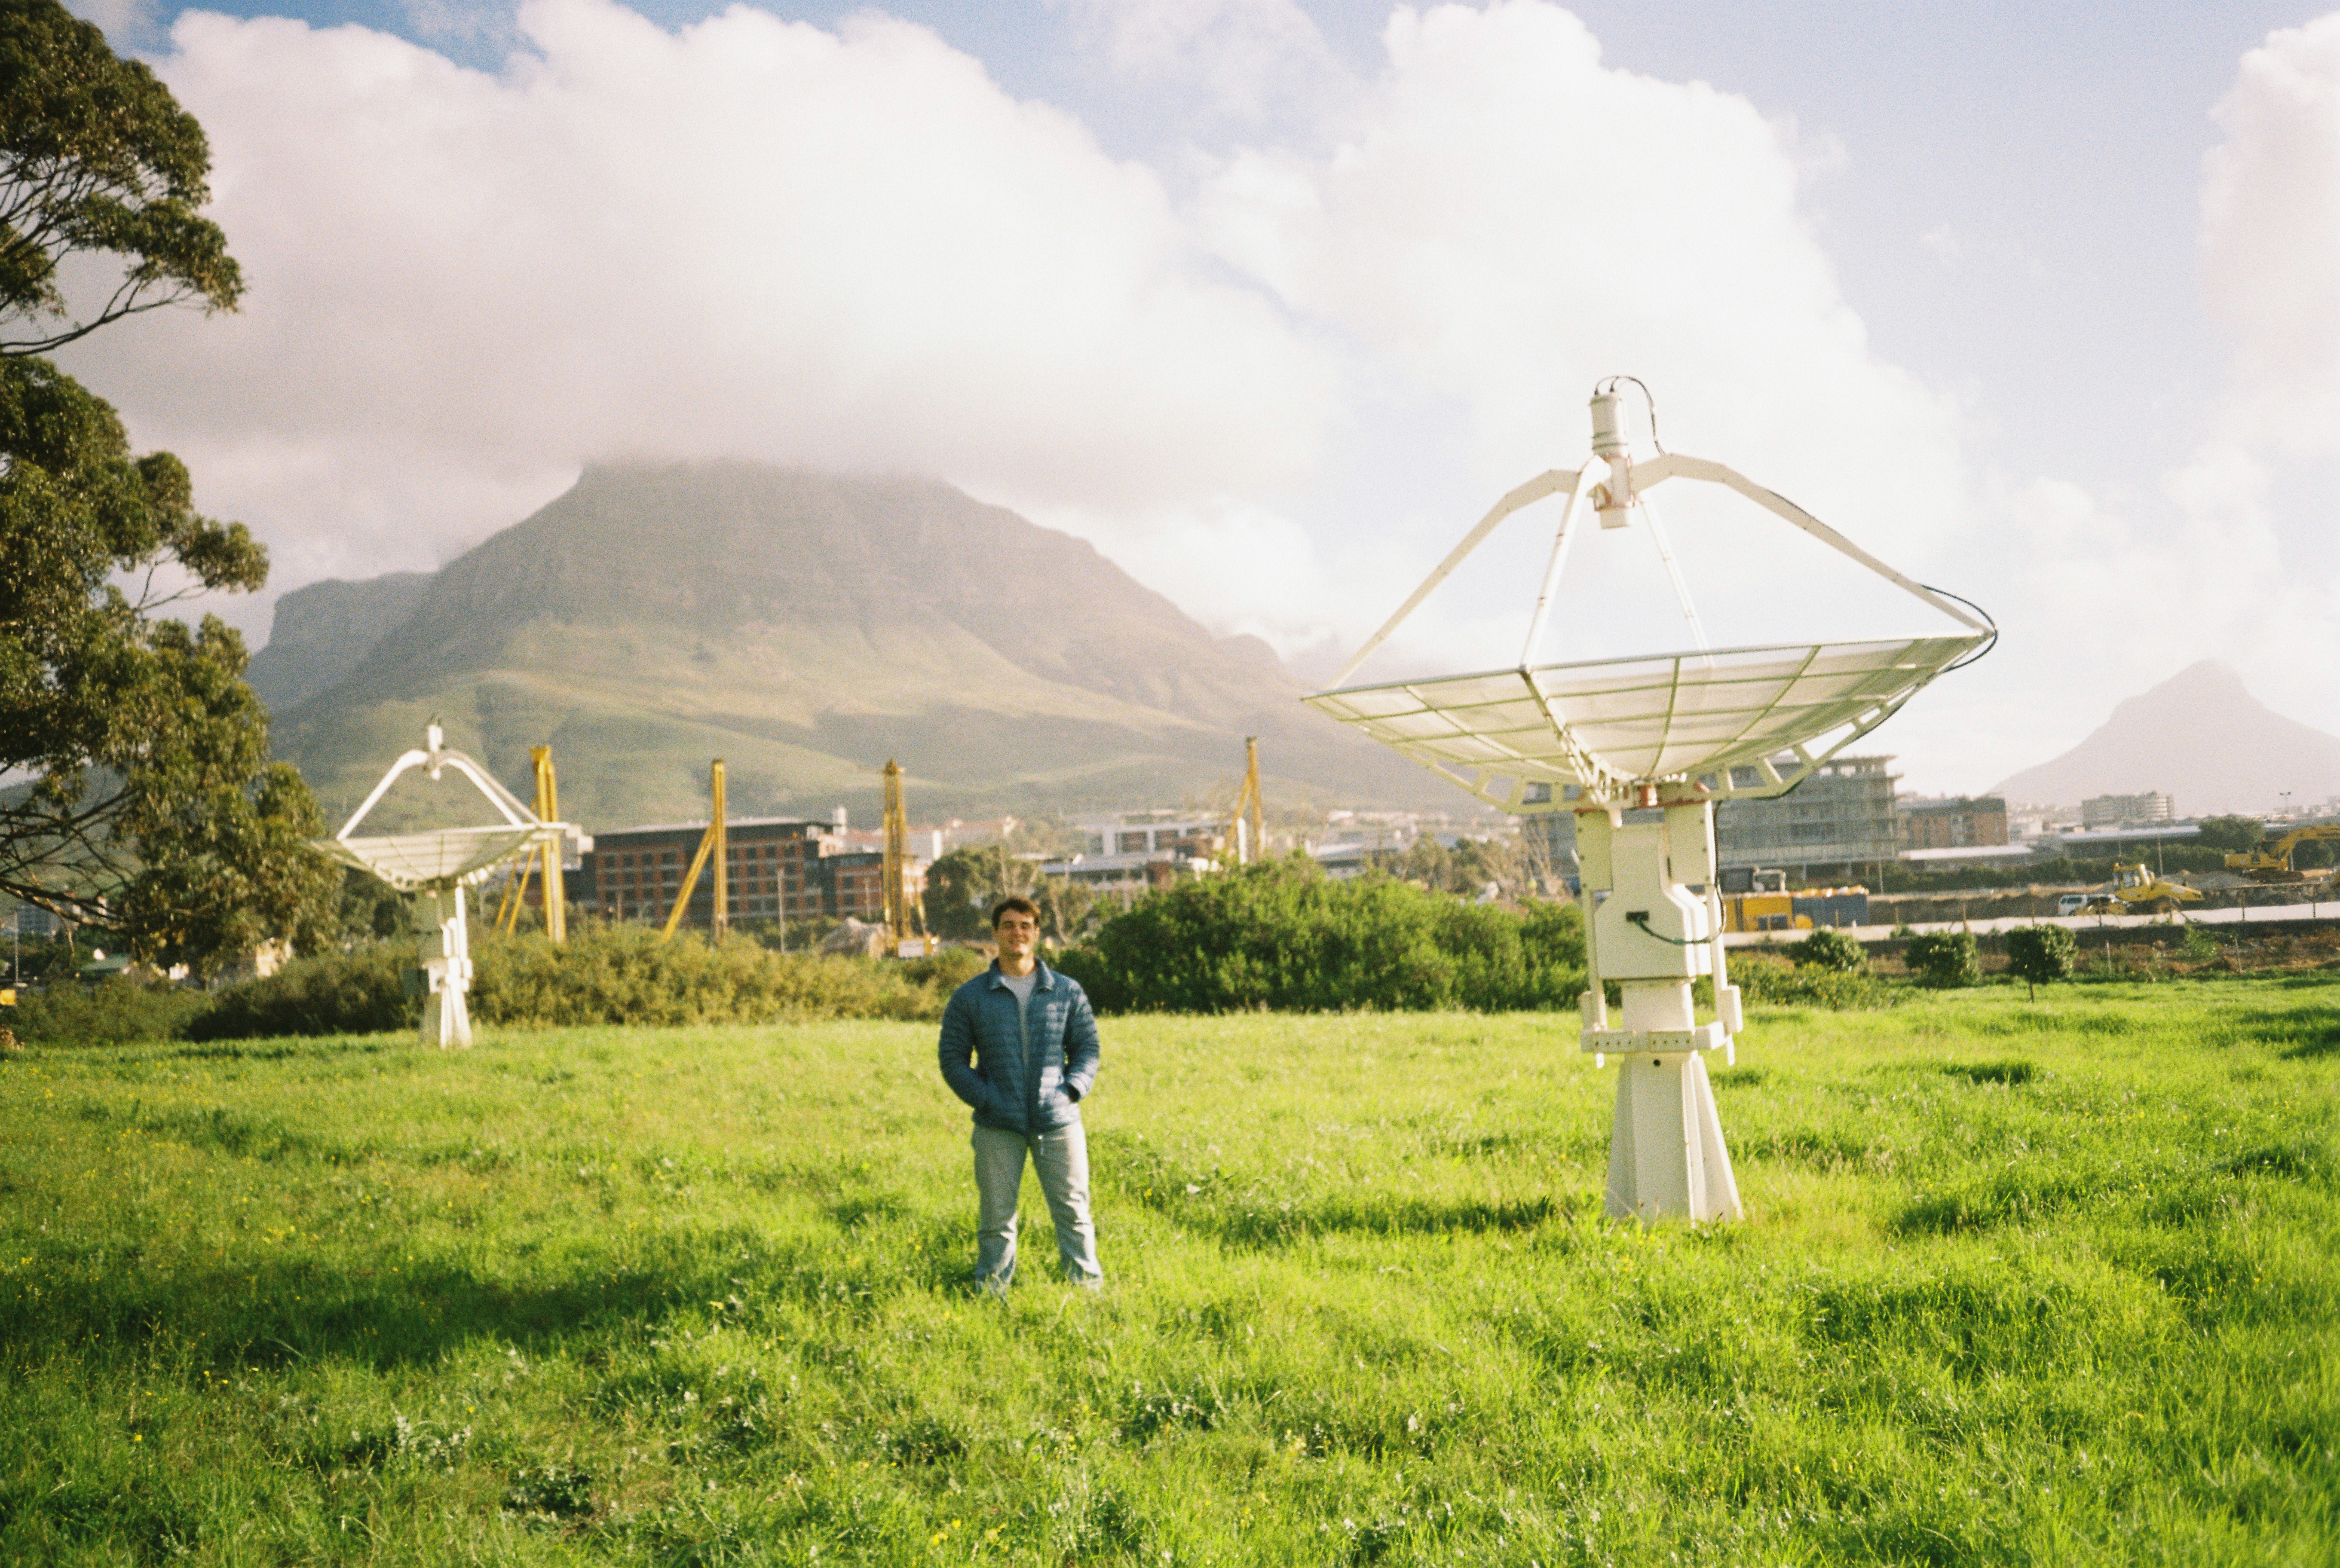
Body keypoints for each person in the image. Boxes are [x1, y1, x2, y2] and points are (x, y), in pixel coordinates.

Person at [936, 896, 1103, 1291]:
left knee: (1075, 1214)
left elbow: (1087, 1049)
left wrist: (1071, 1090)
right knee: (996, 1219)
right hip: (998, 1125)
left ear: (1037, 933)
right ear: (995, 934)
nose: (1017, 933)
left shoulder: (1066, 991)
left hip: (1058, 1121)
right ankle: (991, 1294)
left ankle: (1088, 1293)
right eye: (1008, 925)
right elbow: (952, 1059)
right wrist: (987, 1098)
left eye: (1025, 925)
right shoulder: (970, 996)